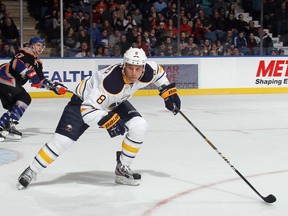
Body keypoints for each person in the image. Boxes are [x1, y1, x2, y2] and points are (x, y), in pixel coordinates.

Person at [17, 47, 181, 189]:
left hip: (113, 102)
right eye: (130, 68)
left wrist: (168, 93)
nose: (134, 73)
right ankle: (32, 170)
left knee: (140, 126)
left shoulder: (147, 71)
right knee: (62, 142)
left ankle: (123, 168)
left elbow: (159, 73)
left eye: (138, 69)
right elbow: (87, 111)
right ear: (124, 66)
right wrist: (109, 121)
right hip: (82, 104)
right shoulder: (110, 83)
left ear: (143, 68)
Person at [0, 37, 67, 141]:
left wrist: (54, 87)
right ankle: (8, 124)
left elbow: (40, 81)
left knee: (19, 103)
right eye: (38, 45)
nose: (40, 48)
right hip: (4, 75)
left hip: (11, 81)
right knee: (24, 97)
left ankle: (5, 125)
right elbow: (15, 64)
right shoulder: (24, 52)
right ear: (32, 45)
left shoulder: (38, 63)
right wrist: (31, 74)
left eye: (42, 46)